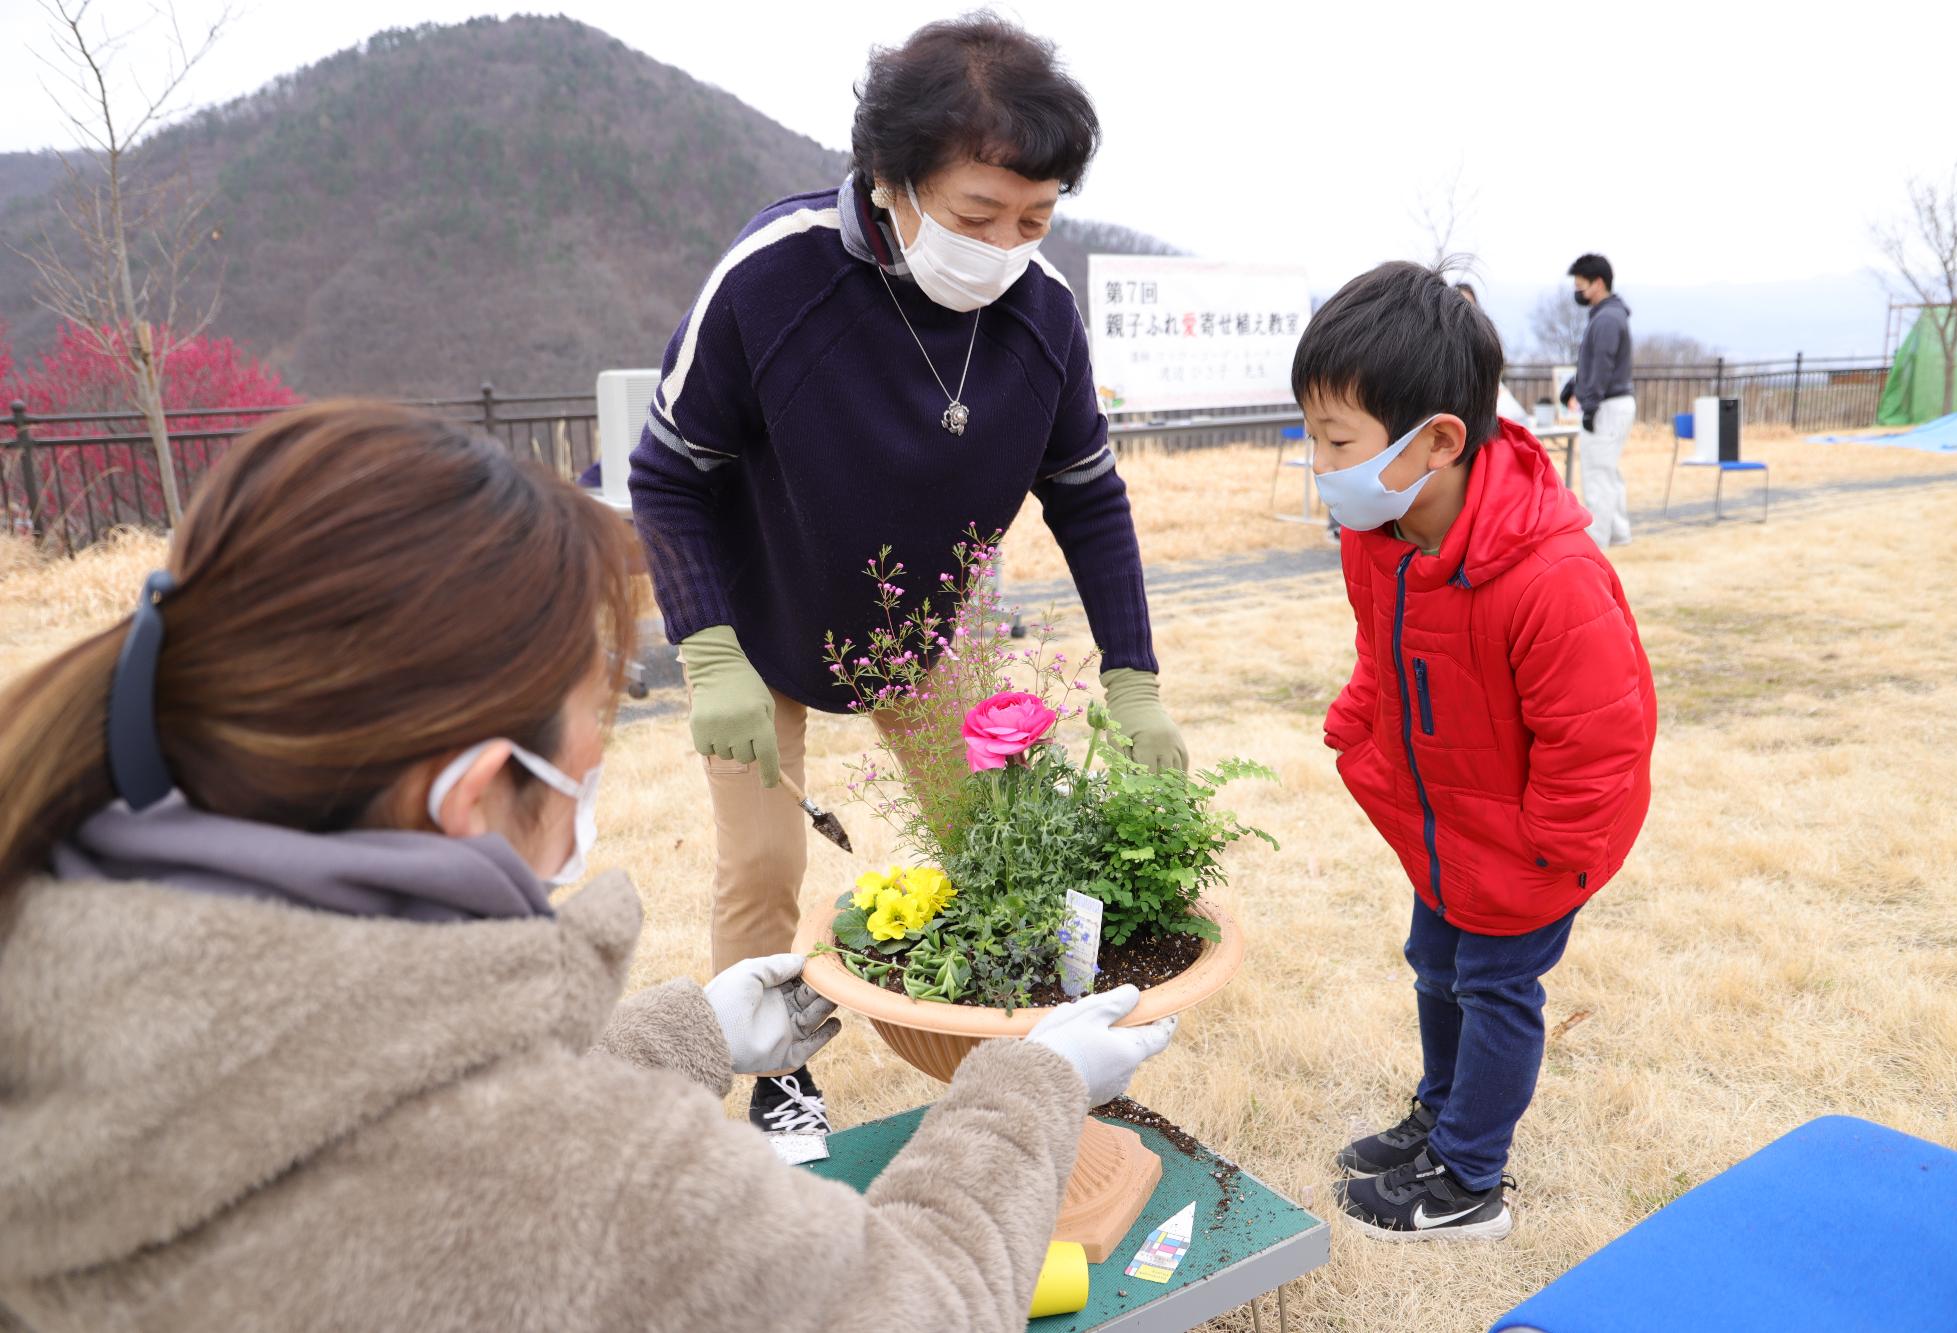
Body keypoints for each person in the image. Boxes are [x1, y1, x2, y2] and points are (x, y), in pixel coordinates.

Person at [0, 402, 1176, 1331]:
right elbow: (915, 1303)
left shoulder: (58, 954)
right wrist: (1034, 1089)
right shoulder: (596, 1185)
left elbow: (340, 1094)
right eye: (589, 747)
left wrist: (683, 1037)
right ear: (471, 795)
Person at [628, 14, 1184, 1143]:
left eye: (1034, 219)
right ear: (888, 179)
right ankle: (777, 1069)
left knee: (995, 838)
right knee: (765, 862)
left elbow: (1087, 496)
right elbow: (666, 471)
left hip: (919, 631)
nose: (1004, 244)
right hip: (756, 622)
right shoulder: (773, 280)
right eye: (977, 214)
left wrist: (1133, 678)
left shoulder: (1042, 319)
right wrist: (706, 651)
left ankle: (1023, 1058)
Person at [1294, 263, 1655, 1241]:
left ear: (1437, 441)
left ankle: (1467, 1177)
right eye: (1312, 436)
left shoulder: (1549, 577)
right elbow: (1383, 649)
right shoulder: (1379, 534)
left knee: (1495, 986)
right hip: (1446, 820)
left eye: (1336, 441)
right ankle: (1438, 1113)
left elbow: (1599, 740)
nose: (1318, 463)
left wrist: (1542, 854)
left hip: (1526, 843)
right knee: (1432, 962)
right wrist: (1357, 716)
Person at [1563, 253, 1636, 548]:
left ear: (1598, 283)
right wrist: (1572, 388)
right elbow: (1590, 365)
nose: (1578, 291)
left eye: (1581, 285)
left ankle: (1596, 544)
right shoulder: (1608, 315)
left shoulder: (1606, 319)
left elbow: (1601, 367)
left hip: (1607, 406)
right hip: (1614, 404)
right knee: (1608, 472)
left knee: (1597, 475)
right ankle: (1619, 533)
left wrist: (1589, 407)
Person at [1453, 281, 1531, 427]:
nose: (1463, 309)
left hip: (1487, 397)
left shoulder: (1484, 335)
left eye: (1468, 304)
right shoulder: (1444, 340)